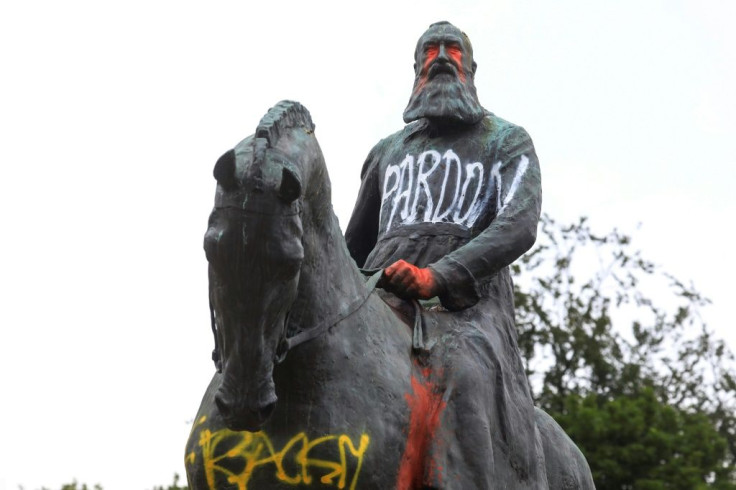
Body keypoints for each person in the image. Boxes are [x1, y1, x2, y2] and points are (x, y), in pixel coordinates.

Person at [345, 21, 547, 489]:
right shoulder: (385, 153)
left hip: (467, 313)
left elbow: (518, 224)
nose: (440, 56)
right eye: (429, 50)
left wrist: (437, 277)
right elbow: (353, 243)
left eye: (452, 49)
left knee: (463, 369)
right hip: (381, 299)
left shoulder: (506, 140)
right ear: (417, 71)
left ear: (470, 68)